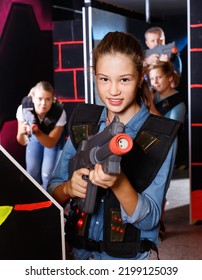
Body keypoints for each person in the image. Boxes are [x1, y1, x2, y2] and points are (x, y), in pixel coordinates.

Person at [47, 31, 181, 260]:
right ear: (94, 76)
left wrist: (118, 183)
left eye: (124, 79)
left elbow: (151, 219)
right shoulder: (83, 122)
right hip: (76, 252)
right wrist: (70, 188)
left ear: (141, 77)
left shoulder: (161, 135)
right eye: (104, 79)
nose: (113, 91)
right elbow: (52, 190)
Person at [147, 60, 186, 238]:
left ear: (170, 77)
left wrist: (151, 106)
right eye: (152, 78)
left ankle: (157, 225)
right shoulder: (153, 96)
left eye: (159, 77)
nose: (155, 82)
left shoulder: (178, 101)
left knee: (160, 186)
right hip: (149, 144)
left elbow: (170, 127)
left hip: (167, 148)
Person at [16, 81, 67, 190]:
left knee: (48, 174)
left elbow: (50, 143)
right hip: (34, 136)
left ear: (53, 100)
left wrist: (37, 132)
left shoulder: (59, 113)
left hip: (52, 140)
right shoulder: (23, 109)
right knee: (31, 172)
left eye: (48, 99)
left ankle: (50, 200)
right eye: (40, 99)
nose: (43, 103)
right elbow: (22, 141)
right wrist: (21, 132)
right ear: (33, 98)